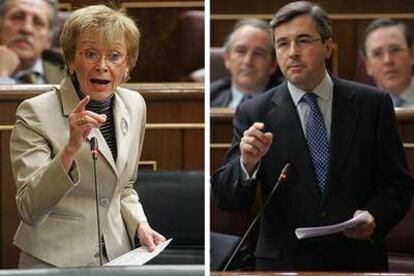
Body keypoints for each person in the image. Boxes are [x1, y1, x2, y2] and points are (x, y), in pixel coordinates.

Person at [211, 1, 413, 272]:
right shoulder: (254, 112)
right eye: (282, 44)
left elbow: (397, 186)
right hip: (283, 263)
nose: (293, 53)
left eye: (303, 40)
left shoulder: (372, 104)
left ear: (328, 46)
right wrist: (246, 164)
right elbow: (227, 198)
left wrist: (374, 217)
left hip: (357, 259)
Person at [10, 5, 165, 268]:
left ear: (127, 65)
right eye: (90, 54)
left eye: (115, 56)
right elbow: (29, 207)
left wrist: (140, 225)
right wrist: (70, 149)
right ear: (71, 60)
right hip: (53, 261)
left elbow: (124, 188)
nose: (102, 66)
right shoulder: (35, 112)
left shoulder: (135, 105)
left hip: (117, 258)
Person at [210, 18, 281, 108]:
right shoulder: (210, 95)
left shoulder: (287, 102)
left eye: (258, 53)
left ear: (273, 64)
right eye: (241, 51)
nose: (248, 61)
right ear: (227, 59)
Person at [0, 0, 64, 84]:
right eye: (18, 17)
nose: (27, 29)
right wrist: (2, 75)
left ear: (49, 40)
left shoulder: (68, 70)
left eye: (38, 22)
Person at [362, 18, 414, 107]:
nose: (388, 60)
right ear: (367, 65)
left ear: (412, 55)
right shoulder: (360, 107)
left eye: (395, 50)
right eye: (377, 54)